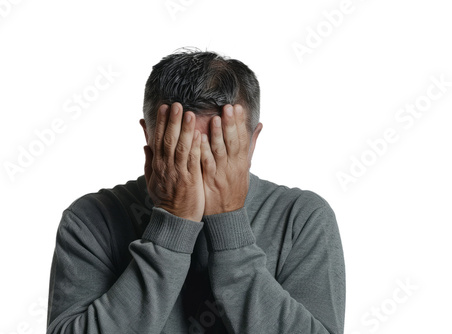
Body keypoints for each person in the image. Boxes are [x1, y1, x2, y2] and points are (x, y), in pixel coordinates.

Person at [46, 49, 345, 334]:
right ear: (149, 137)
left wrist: (229, 229)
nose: (199, 168)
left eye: (219, 150)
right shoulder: (91, 219)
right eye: (181, 149)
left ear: (252, 141)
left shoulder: (302, 218)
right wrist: (172, 223)